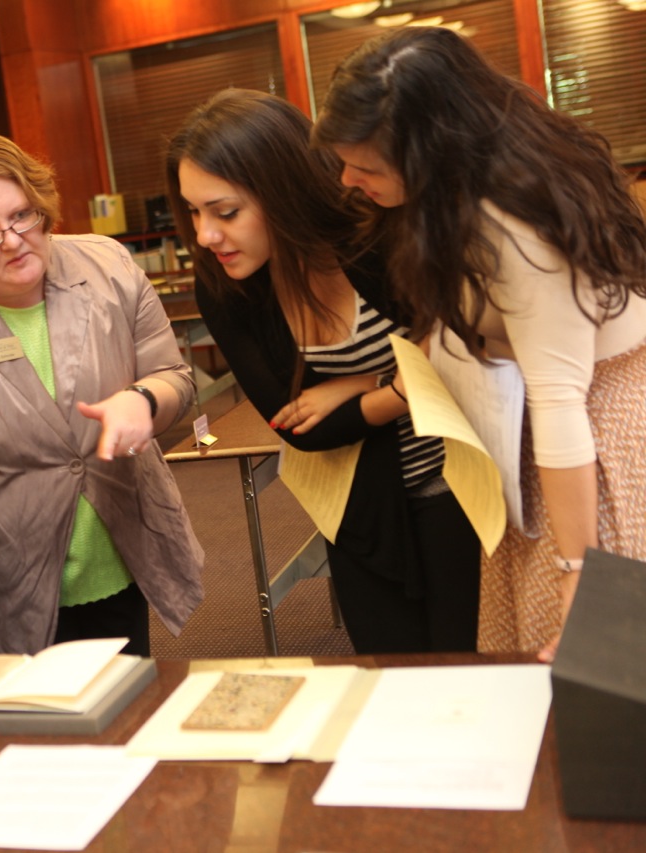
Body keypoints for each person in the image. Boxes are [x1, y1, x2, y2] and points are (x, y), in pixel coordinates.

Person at [314, 27, 646, 658]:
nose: (348, 180)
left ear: (432, 150)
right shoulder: (459, 191)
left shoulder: (518, 226)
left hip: (594, 436)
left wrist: (582, 573)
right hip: (536, 426)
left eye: (367, 166)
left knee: (592, 654)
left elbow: (560, 401)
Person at [165, 89, 480, 654]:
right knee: (391, 683)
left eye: (225, 211)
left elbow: (467, 357)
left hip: (460, 485)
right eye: (193, 211)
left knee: (479, 673)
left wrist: (363, 388)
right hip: (360, 506)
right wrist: (398, 384)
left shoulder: (377, 234)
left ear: (281, 190)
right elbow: (301, 428)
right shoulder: (225, 288)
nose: (206, 235)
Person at [0, 132, 205, 658]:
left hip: (119, 551)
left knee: (123, 716)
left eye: (21, 216)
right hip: (4, 571)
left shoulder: (109, 268)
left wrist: (144, 400)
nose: (11, 241)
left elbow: (173, 375)